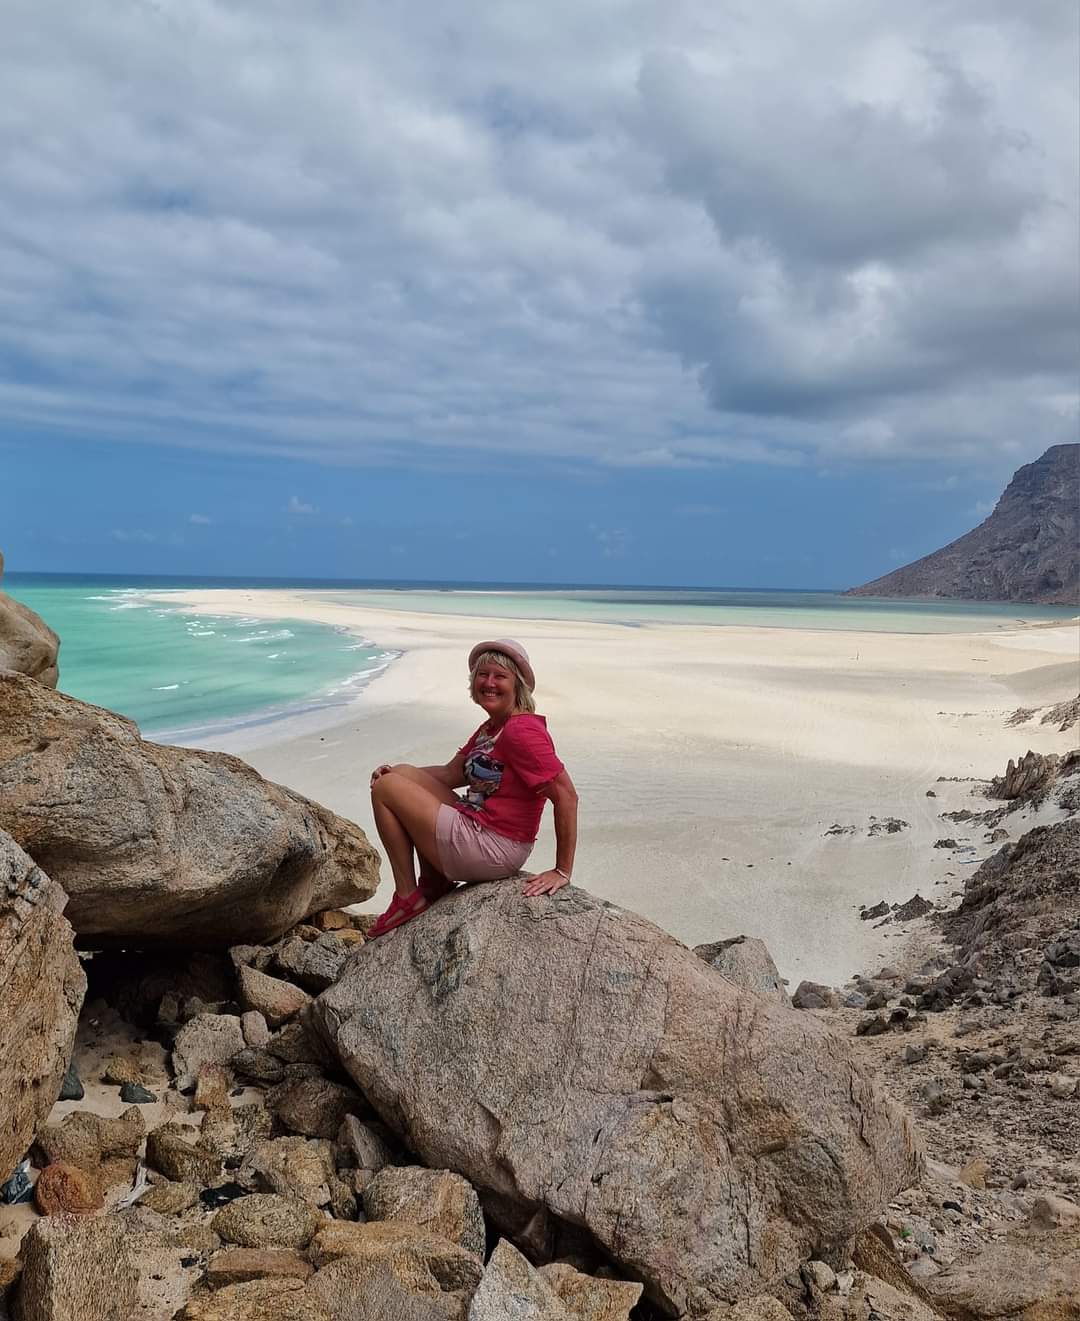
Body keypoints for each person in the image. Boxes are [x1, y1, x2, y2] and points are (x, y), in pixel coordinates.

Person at [366, 638, 577, 938]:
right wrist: (397, 773)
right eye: (483, 674)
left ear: (517, 686)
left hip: (496, 845)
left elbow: (566, 795)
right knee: (397, 775)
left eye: (500, 676)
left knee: (386, 789)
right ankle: (434, 882)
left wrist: (562, 870)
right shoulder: (491, 728)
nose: (489, 683)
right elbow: (451, 774)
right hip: (478, 827)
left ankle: (406, 897)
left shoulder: (521, 731)